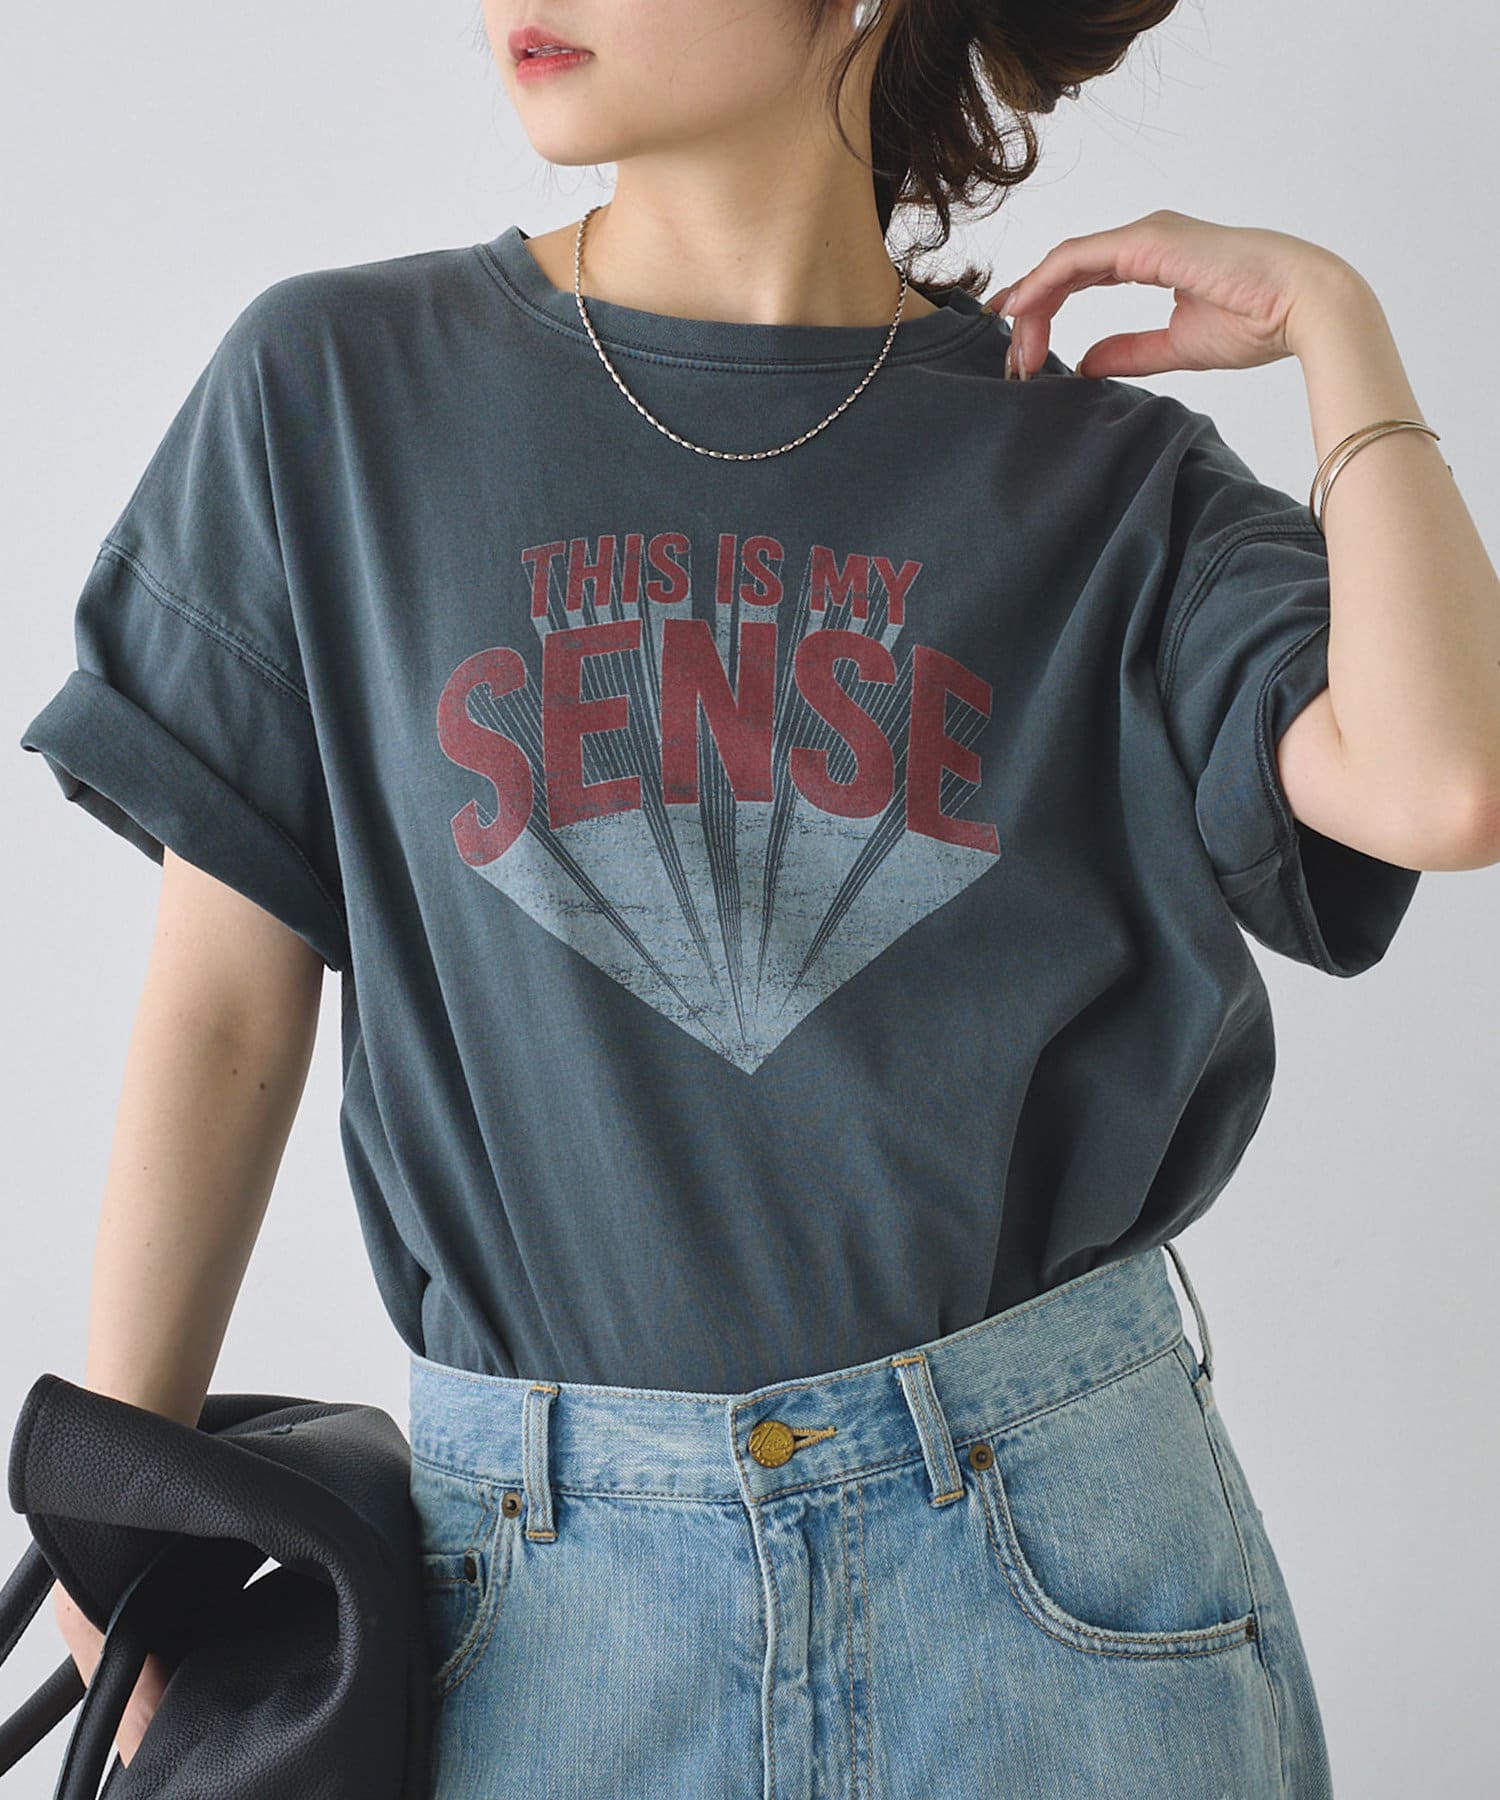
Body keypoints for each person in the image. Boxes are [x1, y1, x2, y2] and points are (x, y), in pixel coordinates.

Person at [20, 1, 1500, 1794]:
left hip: (1056, 1592)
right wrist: (118, 1512)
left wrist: (1340, 325)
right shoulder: (330, 394)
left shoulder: (1109, 479)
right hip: (539, 1621)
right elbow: (223, 1004)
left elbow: (1442, 783)